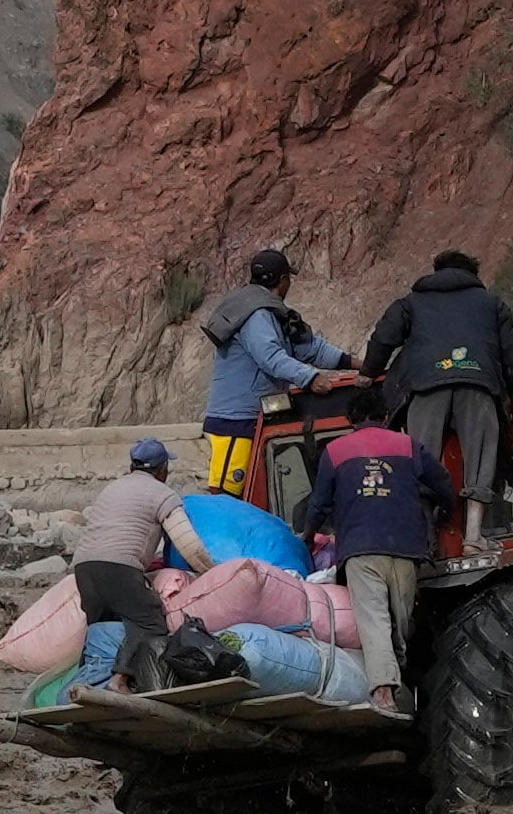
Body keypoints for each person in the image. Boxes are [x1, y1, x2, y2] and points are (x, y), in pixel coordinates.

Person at [362, 247, 513, 550]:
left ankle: (425, 540)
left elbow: (384, 336)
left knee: (421, 461)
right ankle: (474, 536)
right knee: (481, 457)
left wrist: (368, 372)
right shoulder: (492, 303)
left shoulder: (411, 302)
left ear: (436, 271)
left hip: (426, 386)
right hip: (478, 384)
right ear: (472, 274)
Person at [304, 399, 437, 697]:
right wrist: (444, 511)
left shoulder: (335, 451)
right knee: (402, 620)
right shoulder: (408, 445)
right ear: (386, 416)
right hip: (406, 548)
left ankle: (384, 691)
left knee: (374, 618)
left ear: (351, 419)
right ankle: (397, 677)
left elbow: (318, 504)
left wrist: (308, 536)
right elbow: (440, 482)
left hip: (360, 550)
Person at [195, 249, 330, 494]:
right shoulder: (257, 316)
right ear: (282, 281)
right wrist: (310, 378)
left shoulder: (271, 313)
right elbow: (271, 357)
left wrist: (359, 363)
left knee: (257, 491)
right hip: (236, 422)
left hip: (257, 419)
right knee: (227, 495)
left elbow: (311, 349)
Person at [57, 437, 178, 695]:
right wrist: (209, 569)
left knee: (101, 630)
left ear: (132, 467)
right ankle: (120, 680)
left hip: (84, 568)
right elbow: (188, 543)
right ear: (162, 470)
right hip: (118, 568)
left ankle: (81, 687)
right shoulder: (163, 494)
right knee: (150, 623)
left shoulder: (112, 488)